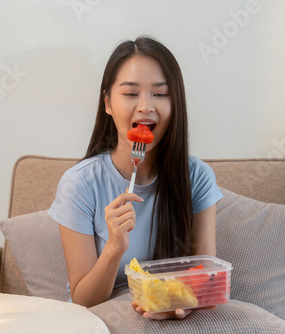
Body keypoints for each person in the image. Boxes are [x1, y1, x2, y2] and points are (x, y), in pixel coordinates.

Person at [48, 36, 223, 320]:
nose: (145, 106)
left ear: (175, 103)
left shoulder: (197, 177)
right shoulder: (79, 184)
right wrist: (114, 247)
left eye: (160, 94)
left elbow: (206, 275)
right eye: (131, 94)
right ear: (107, 103)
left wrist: (180, 301)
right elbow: (83, 301)